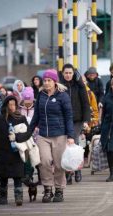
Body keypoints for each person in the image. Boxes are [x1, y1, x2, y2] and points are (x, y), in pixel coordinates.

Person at [30, 69, 75, 203]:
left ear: (55, 82)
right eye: (45, 81)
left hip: (59, 134)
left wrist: (71, 135)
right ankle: (48, 189)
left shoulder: (63, 96)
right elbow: (36, 116)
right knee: (44, 162)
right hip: (43, 134)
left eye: (49, 81)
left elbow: (69, 117)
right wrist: (28, 132)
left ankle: (59, 190)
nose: (47, 83)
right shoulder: (41, 95)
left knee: (59, 164)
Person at [0, 95, 32, 206]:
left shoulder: (20, 118)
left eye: (14, 104)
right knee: (3, 176)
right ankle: (3, 197)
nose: (12, 107)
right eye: (10, 105)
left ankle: (18, 197)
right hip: (2, 151)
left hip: (17, 152)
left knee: (18, 176)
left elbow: (27, 134)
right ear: (6, 105)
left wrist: (17, 137)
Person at [60, 63, 91, 184]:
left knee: (74, 143)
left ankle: (77, 170)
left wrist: (86, 120)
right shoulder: (59, 86)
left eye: (70, 73)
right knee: (64, 147)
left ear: (73, 74)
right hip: (63, 120)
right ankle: (68, 172)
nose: (68, 75)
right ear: (63, 74)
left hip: (77, 120)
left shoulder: (80, 86)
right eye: (66, 73)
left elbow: (85, 104)